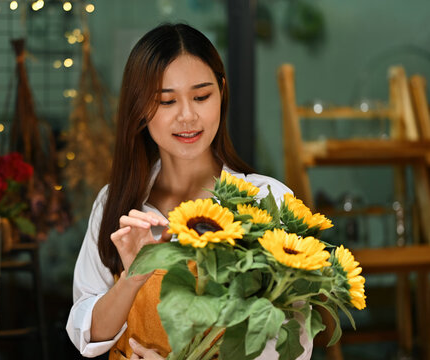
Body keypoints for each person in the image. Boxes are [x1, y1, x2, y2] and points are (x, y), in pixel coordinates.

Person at [67, 23, 312, 360]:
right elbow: (86, 333)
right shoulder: (116, 203)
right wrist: (132, 277)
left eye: (201, 96)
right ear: (140, 109)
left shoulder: (267, 201)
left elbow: (293, 341)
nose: (187, 116)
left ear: (222, 92)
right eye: (166, 101)